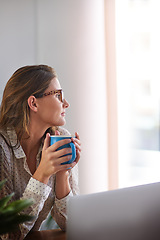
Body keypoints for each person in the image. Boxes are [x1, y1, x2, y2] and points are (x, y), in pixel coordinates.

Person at [0, 65, 81, 240]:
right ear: (33, 103)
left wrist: (62, 174)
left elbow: (72, 225)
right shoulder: (2, 149)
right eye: (58, 95)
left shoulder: (61, 139)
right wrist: (42, 174)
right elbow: (9, 235)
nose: (66, 103)